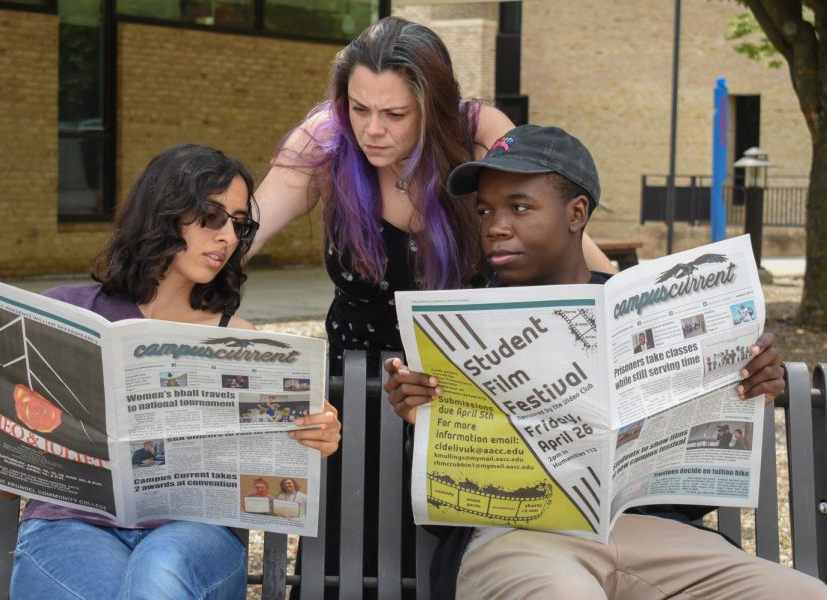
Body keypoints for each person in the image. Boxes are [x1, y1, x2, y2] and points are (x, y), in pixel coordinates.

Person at [383, 124, 826, 599]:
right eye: (485, 210)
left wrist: (748, 391)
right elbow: (438, 515)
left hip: (656, 538)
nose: (496, 225)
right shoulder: (458, 328)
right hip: (521, 539)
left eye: (519, 206)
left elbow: (692, 504)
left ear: (576, 213)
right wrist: (420, 420)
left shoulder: (655, 314)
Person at [248, 17, 613, 593]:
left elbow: (574, 247)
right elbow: (242, 237)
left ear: (433, 106)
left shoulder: (477, 132)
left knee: (448, 562)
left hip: (464, 390)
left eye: (394, 115)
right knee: (353, 564)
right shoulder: (325, 140)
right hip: (359, 390)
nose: (371, 130)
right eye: (358, 109)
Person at [0, 144, 342, 600]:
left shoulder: (239, 337)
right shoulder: (58, 313)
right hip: (70, 523)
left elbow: (270, 474)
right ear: (163, 212)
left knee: (158, 576)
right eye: (211, 217)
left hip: (196, 533)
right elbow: (6, 482)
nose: (228, 236)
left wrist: (313, 435)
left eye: (239, 223)